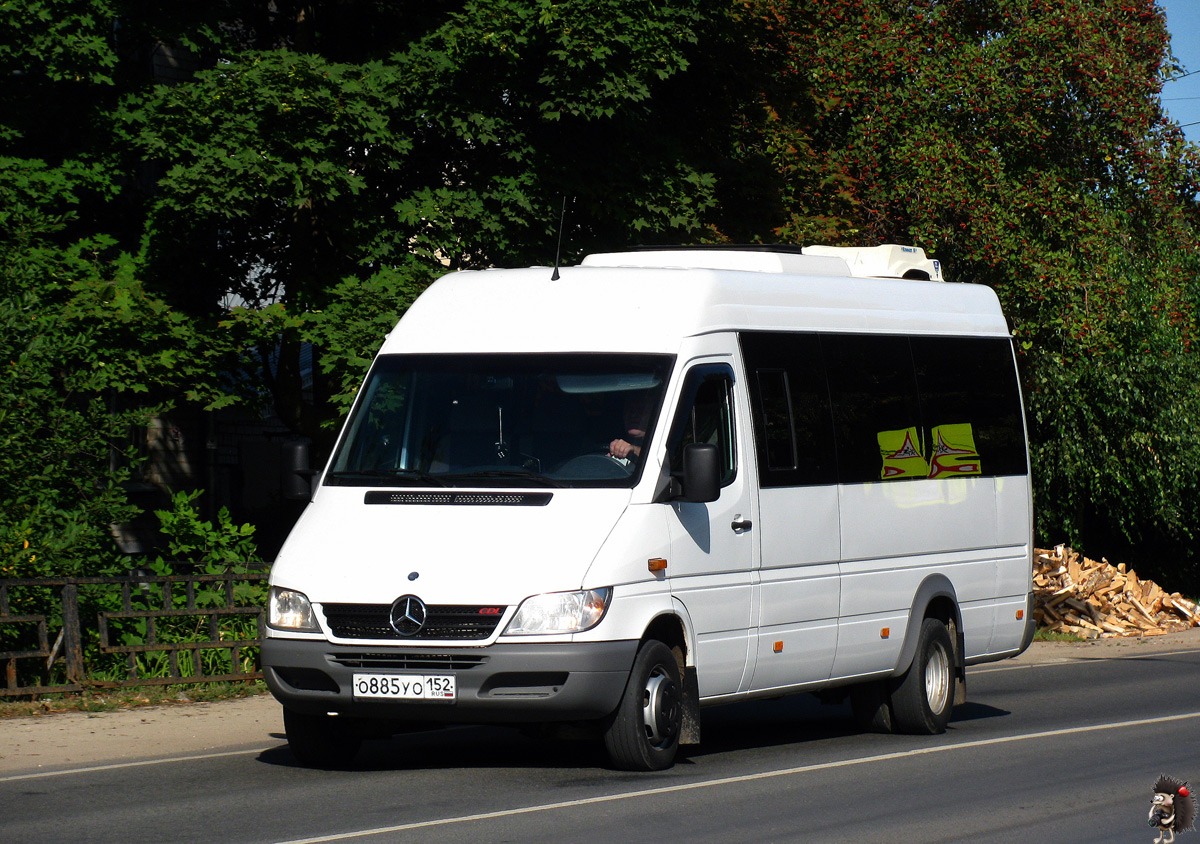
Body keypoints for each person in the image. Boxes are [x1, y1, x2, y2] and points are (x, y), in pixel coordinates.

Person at [608, 390, 653, 461]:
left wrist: (634, 450)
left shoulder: (662, 443)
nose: (633, 415)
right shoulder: (608, 439)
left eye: (640, 410)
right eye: (630, 409)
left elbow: (659, 459)